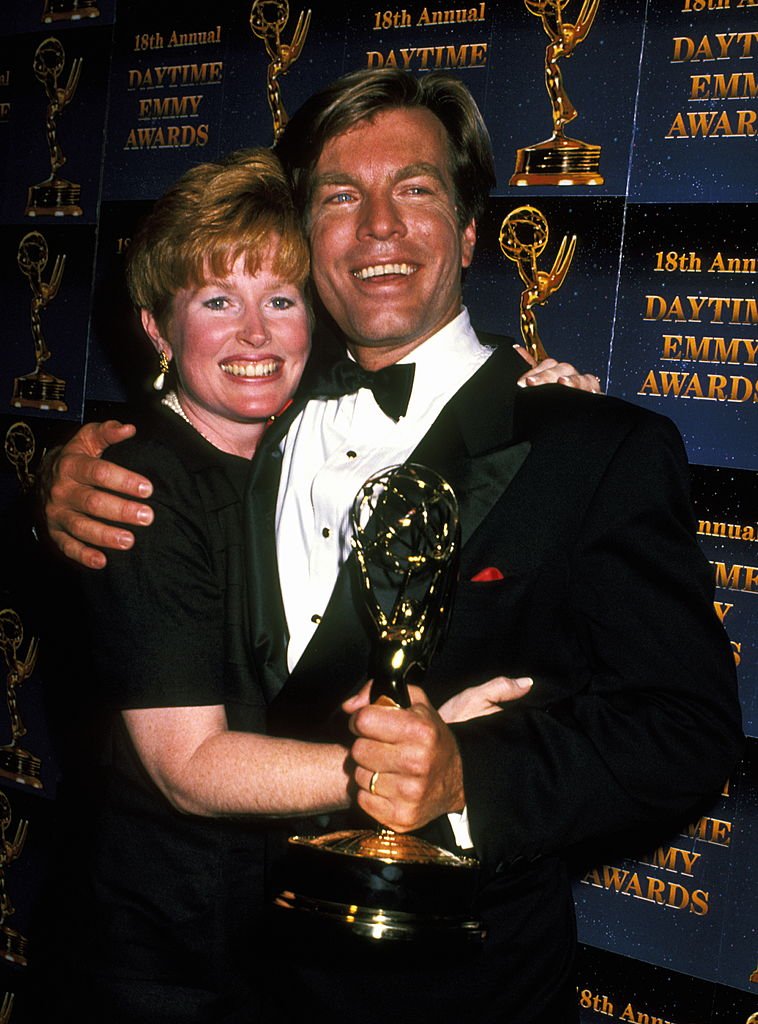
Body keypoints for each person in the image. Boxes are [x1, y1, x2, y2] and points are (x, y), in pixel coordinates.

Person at [42, 69, 742, 1023]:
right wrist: (57, 476)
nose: (377, 225)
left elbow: (683, 732)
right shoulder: (255, 405)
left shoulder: (590, 446)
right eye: (340, 196)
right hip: (229, 971)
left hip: (454, 986)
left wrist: (467, 780)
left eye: (413, 188)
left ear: (468, 230)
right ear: (307, 237)